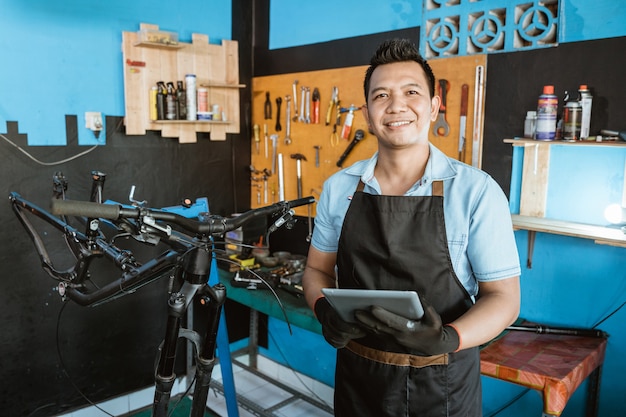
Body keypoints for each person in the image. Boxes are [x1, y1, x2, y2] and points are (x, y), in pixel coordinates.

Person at [301, 38, 521, 417]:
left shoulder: (476, 191)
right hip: (358, 383)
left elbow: (504, 298)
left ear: (434, 107)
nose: (396, 105)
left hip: (442, 386)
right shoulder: (339, 188)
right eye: (381, 95)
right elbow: (317, 270)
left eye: (411, 92)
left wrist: (449, 338)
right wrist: (322, 309)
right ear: (368, 114)